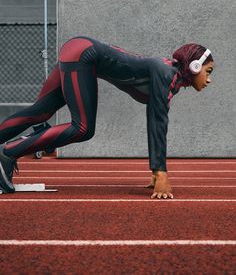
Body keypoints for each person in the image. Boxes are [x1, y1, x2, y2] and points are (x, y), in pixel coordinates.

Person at [0, 36, 214, 198]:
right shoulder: (166, 74)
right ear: (194, 66)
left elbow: (157, 117)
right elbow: (157, 121)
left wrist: (157, 172)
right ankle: (8, 152)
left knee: (40, 112)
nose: (209, 79)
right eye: (208, 71)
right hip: (83, 55)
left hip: (78, 50)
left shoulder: (169, 76)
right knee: (83, 127)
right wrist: (160, 173)